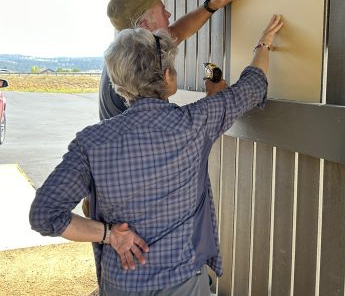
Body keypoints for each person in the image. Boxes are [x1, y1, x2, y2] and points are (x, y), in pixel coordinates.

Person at [30, 15, 284, 295]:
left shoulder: (91, 143)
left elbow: (44, 215)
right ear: (166, 77)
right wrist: (264, 43)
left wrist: (109, 234)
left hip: (120, 285)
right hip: (183, 284)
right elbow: (252, 85)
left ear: (121, 85)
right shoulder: (196, 123)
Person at [100, 0, 237, 120]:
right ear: (144, 25)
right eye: (162, 10)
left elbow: (178, 32)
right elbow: (169, 133)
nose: (168, 14)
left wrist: (212, 4)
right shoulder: (137, 71)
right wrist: (213, 99)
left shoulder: (130, 53)